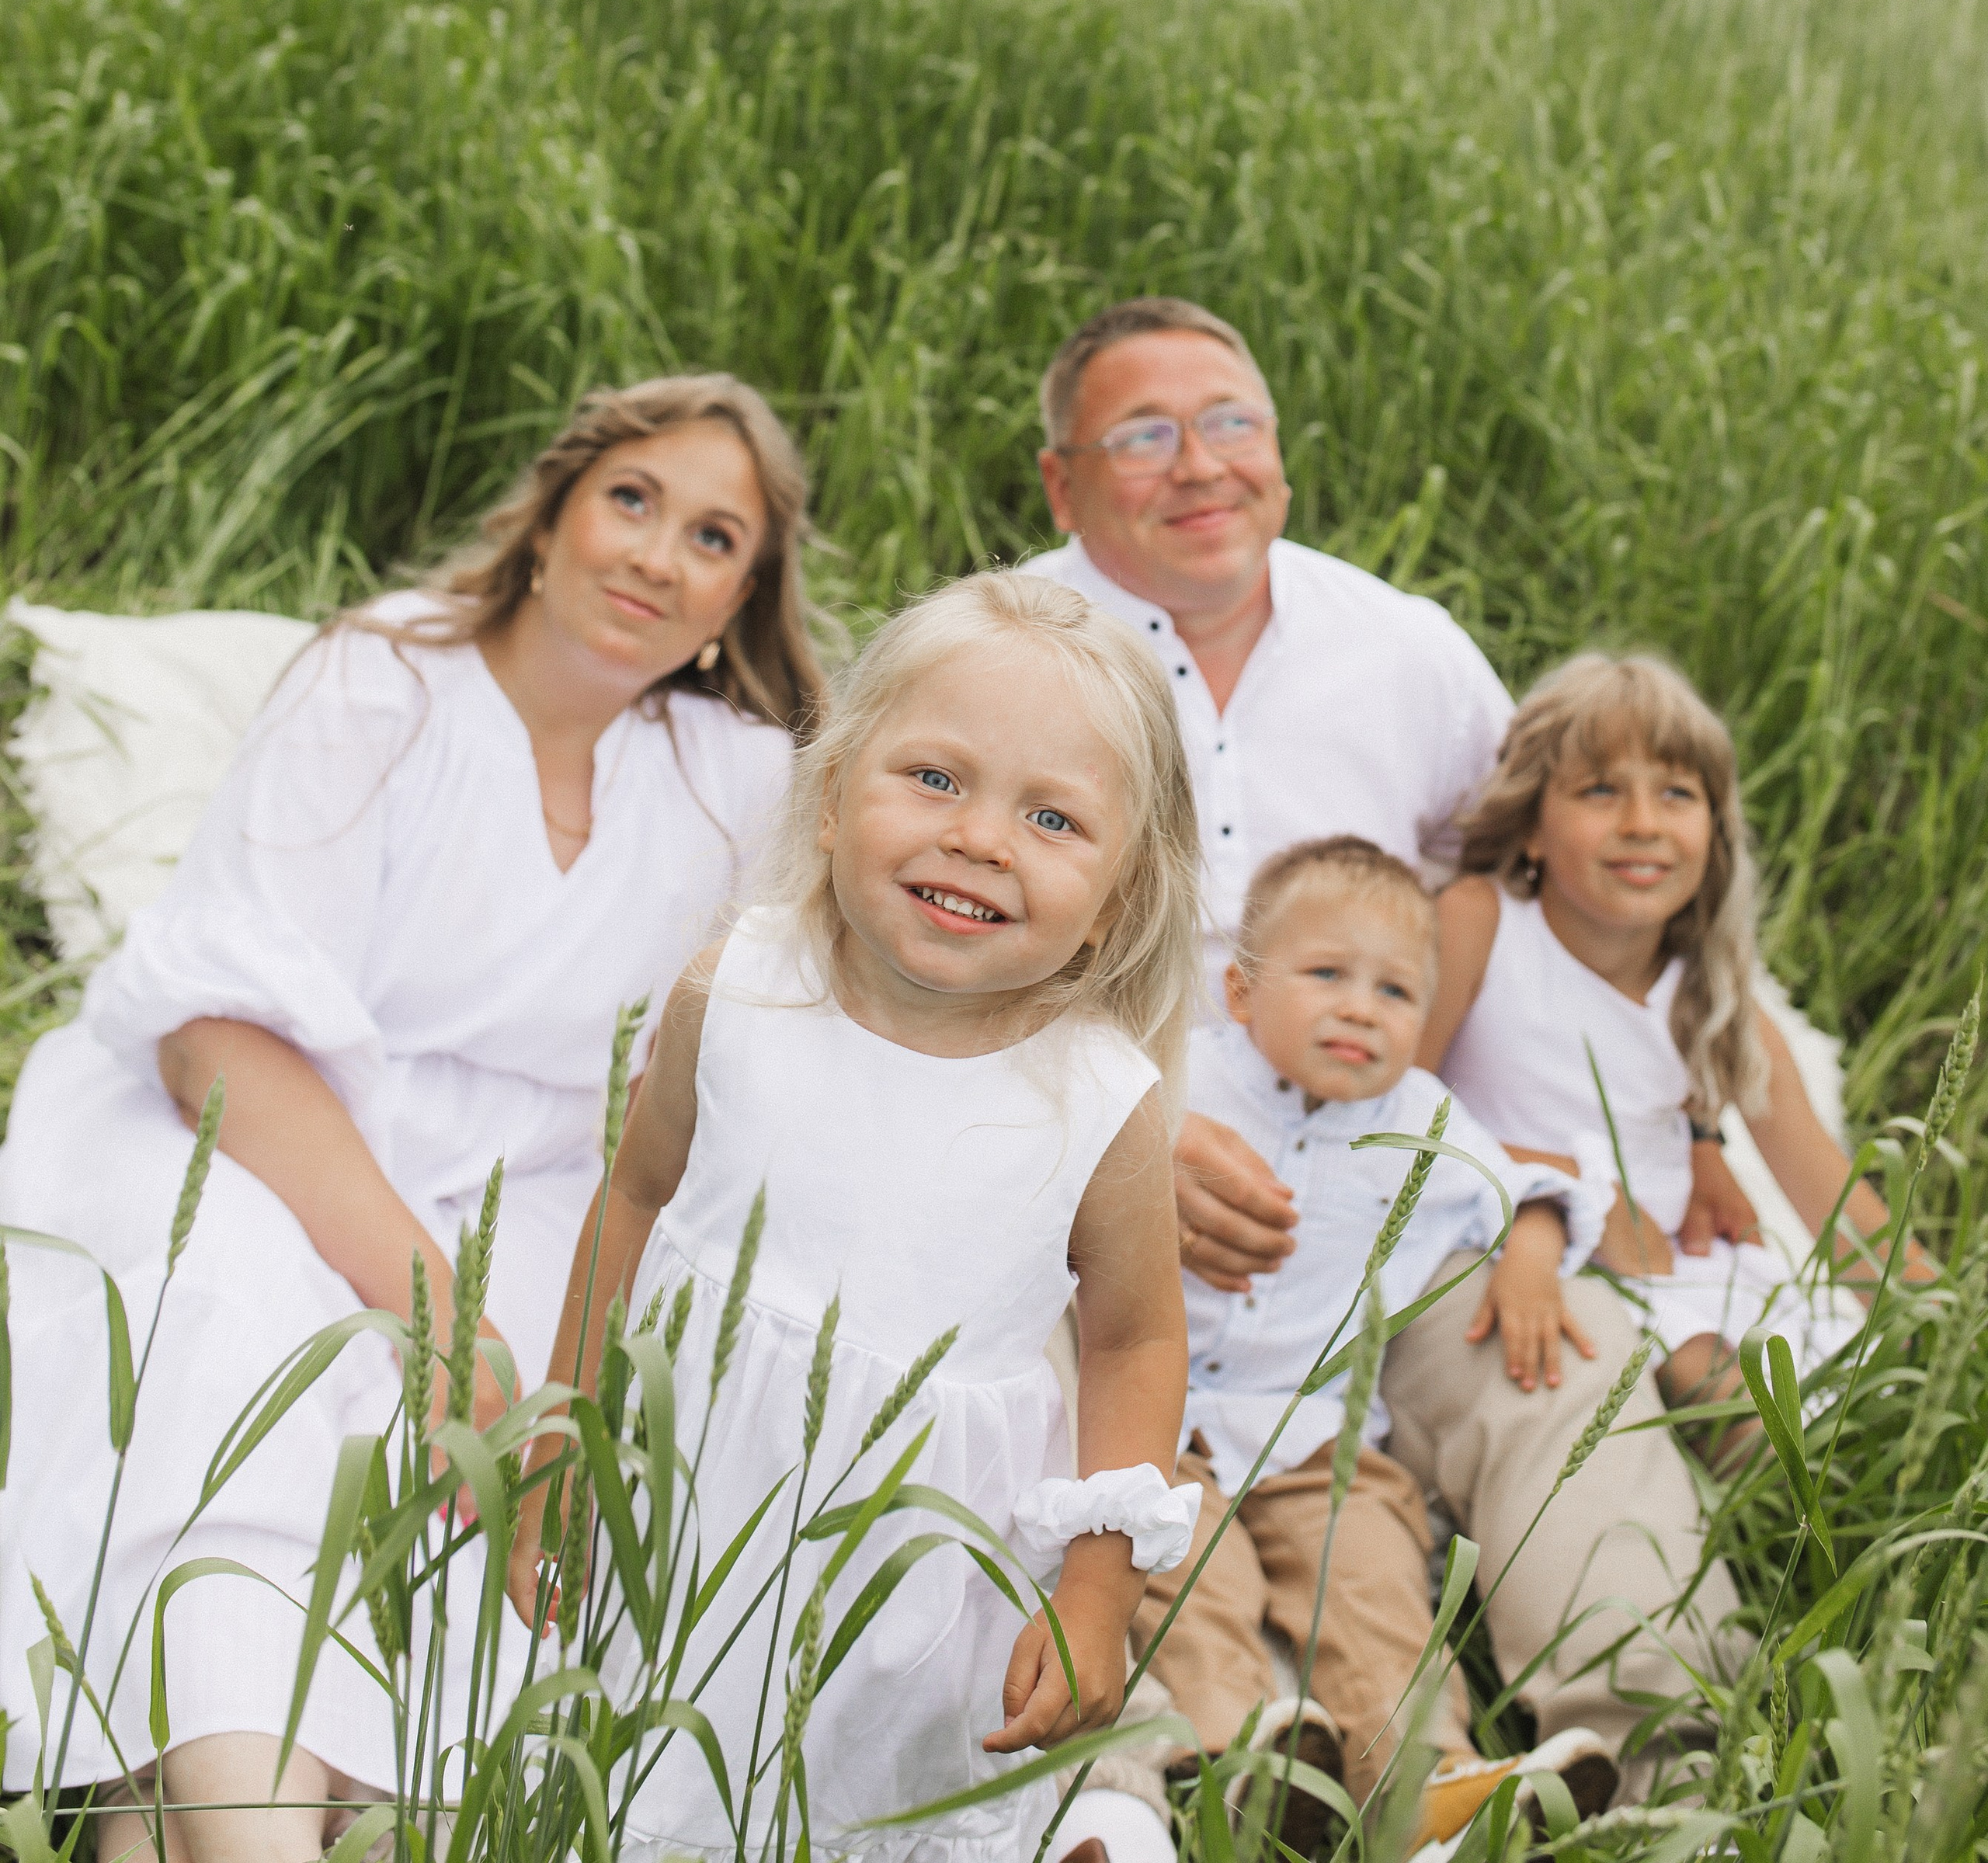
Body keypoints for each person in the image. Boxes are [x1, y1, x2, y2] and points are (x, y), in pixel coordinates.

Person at [0, 374, 822, 1861]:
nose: (655, 552)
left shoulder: (735, 779)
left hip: (533, 1181)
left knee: (528, 1489)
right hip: (246, 1134)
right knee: (235, 1360)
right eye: (631, 499)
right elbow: (217, 1037)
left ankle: (189, 1820)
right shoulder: (379, 678)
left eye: (713, 535)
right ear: (552, 514)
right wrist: (442, 1324)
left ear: (740, 597)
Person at [1024, 297, 1745, 1796]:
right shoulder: (1004, 651)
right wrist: (1114, 1133)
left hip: (1378, 1179)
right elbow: (895, 951)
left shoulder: (1404, 652)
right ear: (1062, 481)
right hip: (1068, 1193)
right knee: (1077, 1427)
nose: (1201, 463)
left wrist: (1666, 1132)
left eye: (1233, 421)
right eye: (1144, 433)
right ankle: (1219, 1756)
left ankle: (1655, 1753)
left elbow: (1553, 891)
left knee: (1561, 1354)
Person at [512, 571, 1206, 1863]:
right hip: (690, 1503)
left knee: (868, 1818)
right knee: (642, 1790)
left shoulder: (1099, 1105)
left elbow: (1132, 1343)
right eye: (936, 778)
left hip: (917, 1587)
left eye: (1052, 816)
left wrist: (1097, 1588)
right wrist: (559, 1457)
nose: (980, 837)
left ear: (1113, 898)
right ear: (831, 799)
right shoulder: (740, 989)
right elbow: (636, 1199)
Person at [1135, 839, 1615, 1858]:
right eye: (1325, 976)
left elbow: (1539, 1186)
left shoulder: (1425, 1126)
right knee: (1182, 1571)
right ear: (1239, 991)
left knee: (1375, 1581)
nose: (1361, 1008)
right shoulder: (1178, 1081)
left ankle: (1430, 1789)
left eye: (1396, 991)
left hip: (1314, 1438)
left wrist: (1529, 1252)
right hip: (1164, 1426)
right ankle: (1237, 1754)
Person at [1426, 652, 1932, 1443]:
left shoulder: (1717, 998)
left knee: (1855, 1399)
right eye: (1600, 789)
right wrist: (1559, 1181)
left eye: (1676, 793)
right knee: (1726, 1392)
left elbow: (1837, 1207)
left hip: (1680, 1268)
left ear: (1714, 829)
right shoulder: (1477, 924)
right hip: (1537, 1242)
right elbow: (1393, 1106)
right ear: (1529, 824)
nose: (1642, 822)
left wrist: (1941, 1331)